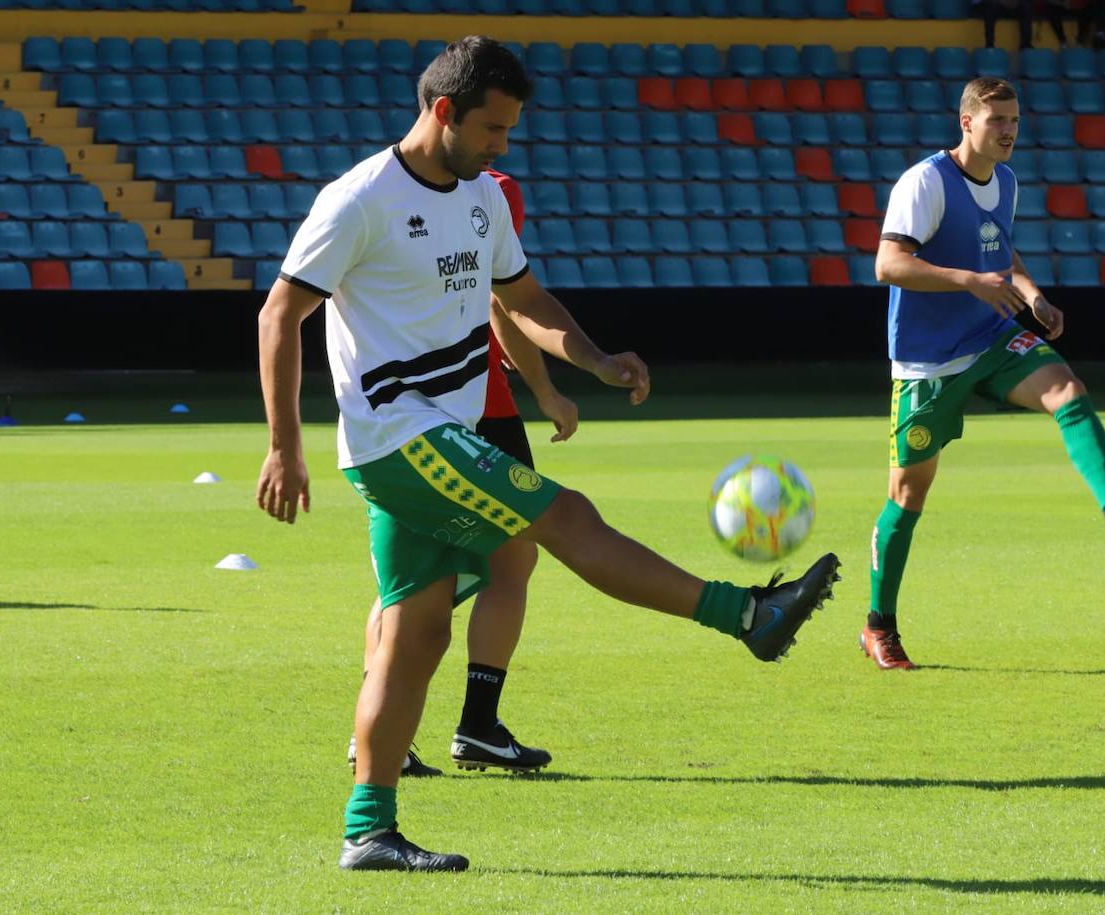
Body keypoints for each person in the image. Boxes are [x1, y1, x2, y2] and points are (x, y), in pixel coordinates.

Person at [257, 35, 842, 873]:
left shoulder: (484, 197)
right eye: (492, 130)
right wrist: (285, 446)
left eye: (509, 133)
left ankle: (368, 830)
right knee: (558, 516)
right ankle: (747, 616)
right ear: (443, 112)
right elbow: (280, 316)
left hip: (440, 435)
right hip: (400, 436)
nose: (503, 147)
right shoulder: (360, 200)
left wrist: (595, 359)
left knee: (414, 634)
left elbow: (523, 298)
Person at [863, 76, 1105, 671]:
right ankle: (879, 625)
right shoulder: (925, 181)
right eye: (997, 120)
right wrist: (970, 281)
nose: (1008, 132)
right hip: (928, 360)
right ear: (967, 124)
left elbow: (999, 245)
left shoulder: (1004, 180)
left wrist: (1031, 293)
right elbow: (888, 264)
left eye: (1015, 121)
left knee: (1067, 391)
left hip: (991, 336)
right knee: (907, 496)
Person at [345, 167, 578, 778]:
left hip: (445, 407)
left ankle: (437, 727)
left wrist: (545, 391)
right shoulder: (492, 189)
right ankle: (466, 723)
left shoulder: (462, 187)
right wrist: (547, 393)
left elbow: (497, 302)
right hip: (472, 410)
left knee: (433, 572)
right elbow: (505, 304)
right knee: (456, 573)